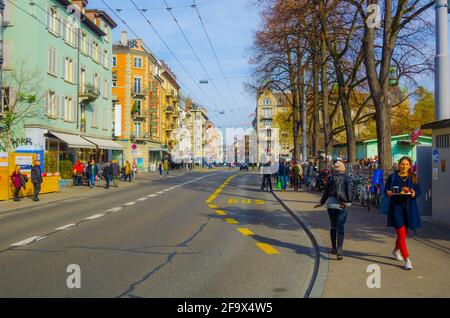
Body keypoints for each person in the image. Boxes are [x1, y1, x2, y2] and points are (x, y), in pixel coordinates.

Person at [385, 156, 421, 270]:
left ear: (409, 166)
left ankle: (395, 250)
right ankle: (407, 259)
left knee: (403, 234)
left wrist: (415, 193)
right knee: (401, 234)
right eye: (402, 164)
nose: (404, 166)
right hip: (396, 208)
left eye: (406, 164)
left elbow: (419, 190)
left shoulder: (414, 177)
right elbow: (386, 189)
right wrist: (388, 192)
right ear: (398, 165)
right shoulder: (393, 177)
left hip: (409, 208)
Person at [314, 160, 353, 260]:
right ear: (344, 168)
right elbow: (349, 192)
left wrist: (321, 202)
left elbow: (326, 192)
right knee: (341, 226)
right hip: (341, 205)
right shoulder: (347, 178)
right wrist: (349, 202)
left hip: (330, 204)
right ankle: (340, 249)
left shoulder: (331, 178)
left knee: (333, 225)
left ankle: (333, 248)